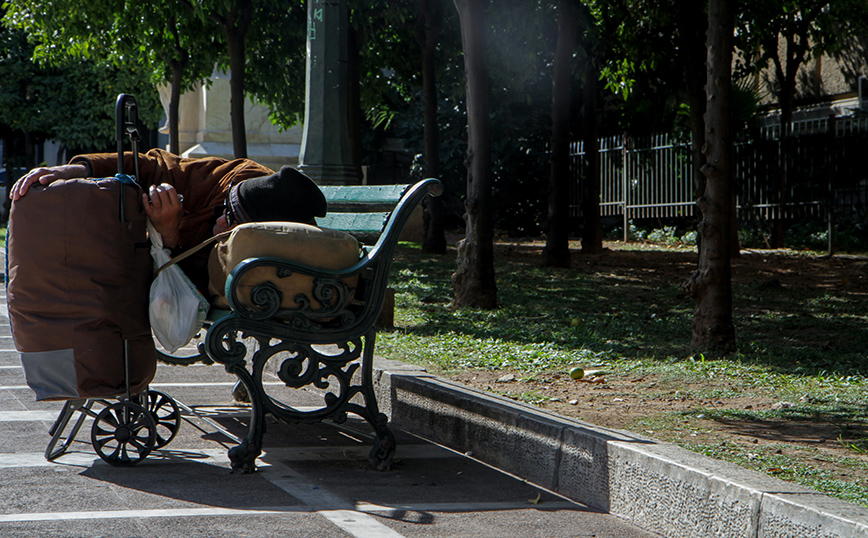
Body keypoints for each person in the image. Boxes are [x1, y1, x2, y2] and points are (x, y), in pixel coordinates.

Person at [11, 148, 327, 295]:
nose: (220, 224)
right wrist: (79, 169)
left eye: (230, 225)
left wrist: (170, 236)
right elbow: (160, 166)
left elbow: (195, 291)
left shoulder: (268, 248)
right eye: (224, 212)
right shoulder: (235, 178)